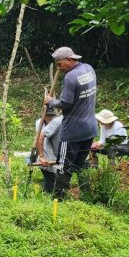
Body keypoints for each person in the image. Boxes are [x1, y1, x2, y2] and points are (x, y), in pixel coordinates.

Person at [43, 46, 97, 200]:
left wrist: (50, 101)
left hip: (73, 131)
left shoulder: (71, 77)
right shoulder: (88, 69)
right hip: (89, 128)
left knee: (63, 164)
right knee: (82, 164)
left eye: (60, 64)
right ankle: (86, 196)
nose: (59, 68)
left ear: (69, 59)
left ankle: (58, 198)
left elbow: (66, 103)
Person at [34, 107, 63, 194]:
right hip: (45, 151)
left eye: (51, 115)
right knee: (49, 174)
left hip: (56, 149)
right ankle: (49, 191)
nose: (49, 118)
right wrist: (41, 156)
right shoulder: (39, 123)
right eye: (47, 115)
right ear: (44, 115)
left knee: (56, 175)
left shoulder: (57, 123)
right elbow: (40, 138)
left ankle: (51, 191)